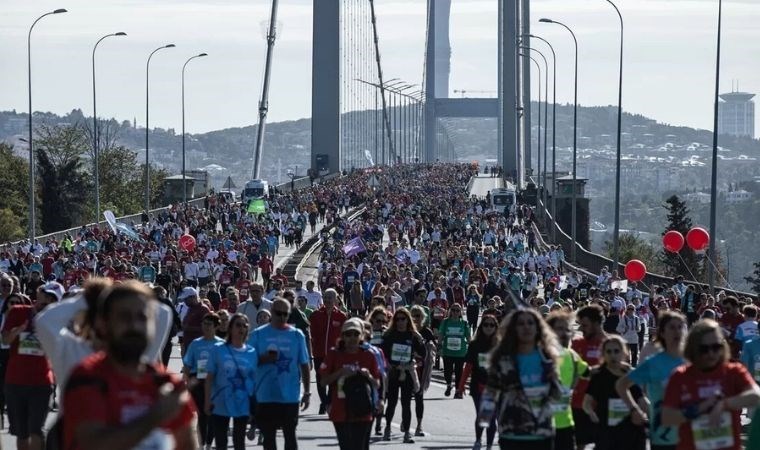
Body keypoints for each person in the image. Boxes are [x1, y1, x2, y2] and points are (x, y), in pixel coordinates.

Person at [62, 281, 197, 450]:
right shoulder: (87, 378)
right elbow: (93, 443)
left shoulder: (167, 383)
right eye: (124, 317)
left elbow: (187, 444)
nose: (134, 325)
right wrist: (156, 415)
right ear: (103, 324)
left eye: (142, 317)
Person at [662, 319, 760, 450]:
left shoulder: (733, 372)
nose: (711, 353)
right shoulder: (680, 376)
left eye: (716, 347)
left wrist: (724, 404)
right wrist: (699, 409)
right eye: (704, 349)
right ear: (693, 348)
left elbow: (755, 395)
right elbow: (667, 417)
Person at [478, 308, 561, 450]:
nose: (526, 327)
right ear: (513, 329)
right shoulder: (502, 359)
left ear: (538, 328)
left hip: (541, 432)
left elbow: (558, 395)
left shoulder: (546, 358)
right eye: (520, 324)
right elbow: (491, 391)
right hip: (511, 432)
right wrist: (485, 414)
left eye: (530, 323)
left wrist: (555, 383)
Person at [616, 311, 686, 450]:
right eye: (672, 327)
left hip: (689, 434)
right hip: (662, 436)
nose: (677, 331)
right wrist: (635, 409)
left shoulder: (692, 361)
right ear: (662, 332)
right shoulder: (653, 363)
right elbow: (621, 385)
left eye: (680, 327)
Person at [248, 298, 311, 450]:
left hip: (290, 395)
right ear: (271, 313)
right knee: (268, 438)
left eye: (285, 314)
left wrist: (307, 392)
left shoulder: (297, 335)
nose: (282, 317)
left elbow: (304, 364)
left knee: (290, 435)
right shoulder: (258, 334)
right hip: (265, 395)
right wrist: (264, 358)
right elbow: (247, 362)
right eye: (278, 313)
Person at [2, 286, 57, 450]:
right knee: (21, 432)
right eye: (45, 295)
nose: (47, 300)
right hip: (15, 381)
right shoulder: (18, 311)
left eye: (52, 298)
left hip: (41, 382)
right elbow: (5, 340)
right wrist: (18, 331)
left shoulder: (54, 318)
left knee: (37, 430)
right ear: (38, 294)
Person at [319, 318, 381, 450]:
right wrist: (341, 372)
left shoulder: (368, 355)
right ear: (342, 336)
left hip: (362, 409)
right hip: (340, 409)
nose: (352, 338)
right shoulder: (334, 354)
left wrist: (368, 376)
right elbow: (323, 382)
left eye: (356, 334)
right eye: (348, 334)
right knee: (346, 447)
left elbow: (377, 384)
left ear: (362, 335)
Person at [583, 335, 646, 450]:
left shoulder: (631, 373)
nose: (613, 355)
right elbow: (586, 402)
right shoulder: (599, 375)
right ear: (603, 354)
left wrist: (644, 414)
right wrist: (591, 414)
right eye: (609, 351)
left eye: (616, 351)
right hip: (607, 433)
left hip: (631, 432)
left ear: (624, 353)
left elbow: (641, 399)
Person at [204, 313, 257, 450]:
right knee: (221, 443)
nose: (241, 328)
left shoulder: (251, 352)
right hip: (220, 402)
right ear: (230, 328)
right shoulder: (218, 349)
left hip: (242, 403)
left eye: (244, 326)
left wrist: (255, 407)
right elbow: (209, 377)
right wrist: (207, 400)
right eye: (238, 325)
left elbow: (254, 382)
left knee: (239, 442)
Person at [380, 307, 426, 443]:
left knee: (406, 403)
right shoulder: (389, 335)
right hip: (393, 371)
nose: (400, 322)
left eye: (403, 319)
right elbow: (382, 353)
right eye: (397, 319)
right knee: (392, 402)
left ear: (408, 320)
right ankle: (387, 428)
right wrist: (388, 364)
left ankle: (406, 432)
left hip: (406, 371)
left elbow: (423, 354)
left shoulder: (412, 335)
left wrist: (420, 340)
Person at [456, 313, 499, 450]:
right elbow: (468, 366)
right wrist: (460, 386)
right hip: (478, 385)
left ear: (496, 327)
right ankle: (478, 440)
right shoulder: (475, 345)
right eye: (486, 324)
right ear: (481, 327)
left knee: (491, 417)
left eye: (492, 325)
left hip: (495, 387)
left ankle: (489, 445)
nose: (488, 327)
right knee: (483, 414)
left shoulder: (501, 345)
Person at [546, 312, 588, 450]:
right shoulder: (539, 353)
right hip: (542, 425)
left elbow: (591, 372)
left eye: (567, 329)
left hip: (565, 423)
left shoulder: (572, 354)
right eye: (559, 328)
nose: (564, 333)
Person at [183, 312, 224, 449]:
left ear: (216, 326)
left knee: (212, 414)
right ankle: (201, 444)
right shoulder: (196, 343)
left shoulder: (221, 344)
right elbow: (188, 364)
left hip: (215, 383)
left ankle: (208, 443)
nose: (206, 327)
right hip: (198, 381)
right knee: (201, 414)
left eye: (209, 324)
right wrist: (186, 382)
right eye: (204, 324)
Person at [571, 304, 607, 450]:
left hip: (603, 405)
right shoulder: (576, 344)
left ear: (597, 324)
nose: (581, 329)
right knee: (580, 444)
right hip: (579, 403)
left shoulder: (613, 345)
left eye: (585, 325)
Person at [309, 288, 348, 414]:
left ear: (336, 299)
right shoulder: (316, 315)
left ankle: (328, 401)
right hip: (319, 353)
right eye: (325, 297)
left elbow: (344, 335)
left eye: (330, 298)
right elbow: (312, 334)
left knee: (333, 379)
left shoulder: (341, 316)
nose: (327, 300)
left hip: (334, 355)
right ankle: (324, 401)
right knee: (320, 378)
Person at [410, 305, 436, 437]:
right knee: (406, 396)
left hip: (422, 369)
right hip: (408, 368)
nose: (415, 318)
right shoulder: (407, 331)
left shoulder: (427, 332)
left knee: (419, 396)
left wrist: (429, 346)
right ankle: (406, 421)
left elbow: (433, 348)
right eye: (413, 316)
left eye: (418, 316)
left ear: (423, 318)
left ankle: (419, 426)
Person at [438, 303, 471, 398]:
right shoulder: (445, 322)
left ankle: (458, 391)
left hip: (460, 352)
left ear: (461, 312)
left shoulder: (464, 323)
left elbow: (468, 337)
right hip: (447, 351)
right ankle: (449, 385)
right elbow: (441, 335)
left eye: (457, 310)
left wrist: (472, 348)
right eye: (453, 310)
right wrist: (439, 346)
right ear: (450, 311)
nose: (455, 312)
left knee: (459, 372)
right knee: (447, 371)